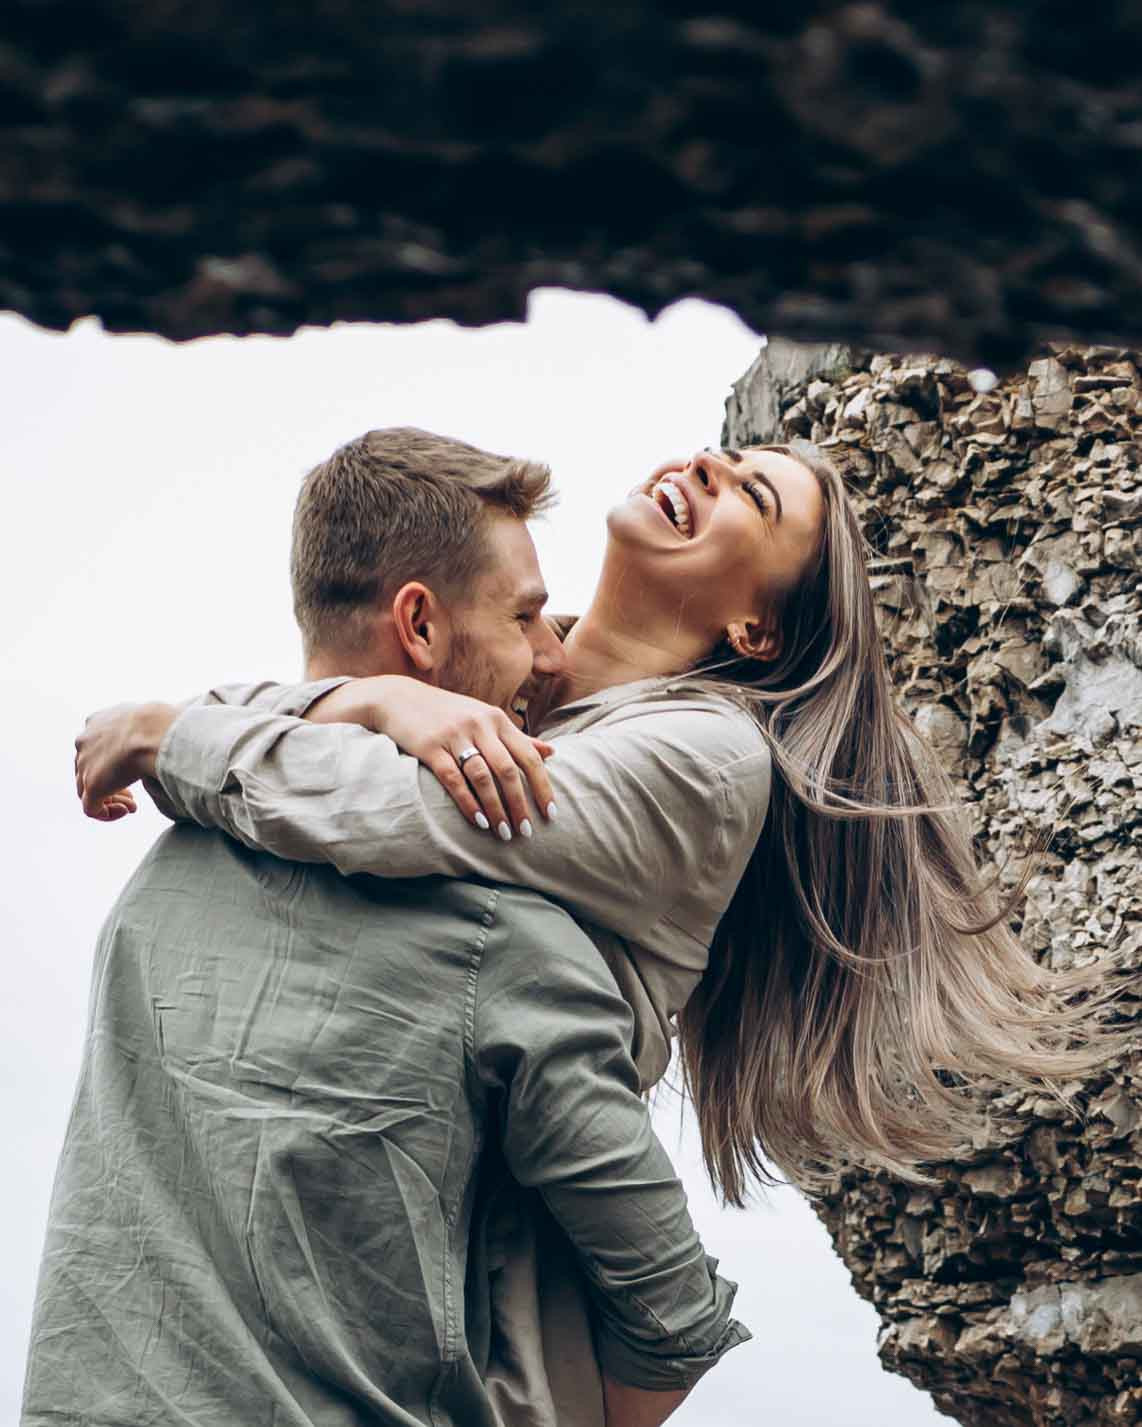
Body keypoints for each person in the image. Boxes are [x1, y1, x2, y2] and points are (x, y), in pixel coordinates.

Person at [70, 429, 1118, 1425]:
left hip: (500, 1313)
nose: (707, 465)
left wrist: (180, 729)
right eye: (724, 456)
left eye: (752, 496)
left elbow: (393, 813)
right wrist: (379, 700)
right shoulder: (513, 679)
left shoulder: (702, 756)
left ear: (753, 629)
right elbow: (282, 724)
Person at [24, 430, 753, 1427]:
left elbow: (280, 755)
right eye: (529, 614)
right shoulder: (504, 944)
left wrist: (325, 703)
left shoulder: (163, 872)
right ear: (418, 623)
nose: (550, 657)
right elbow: (673, 1315)